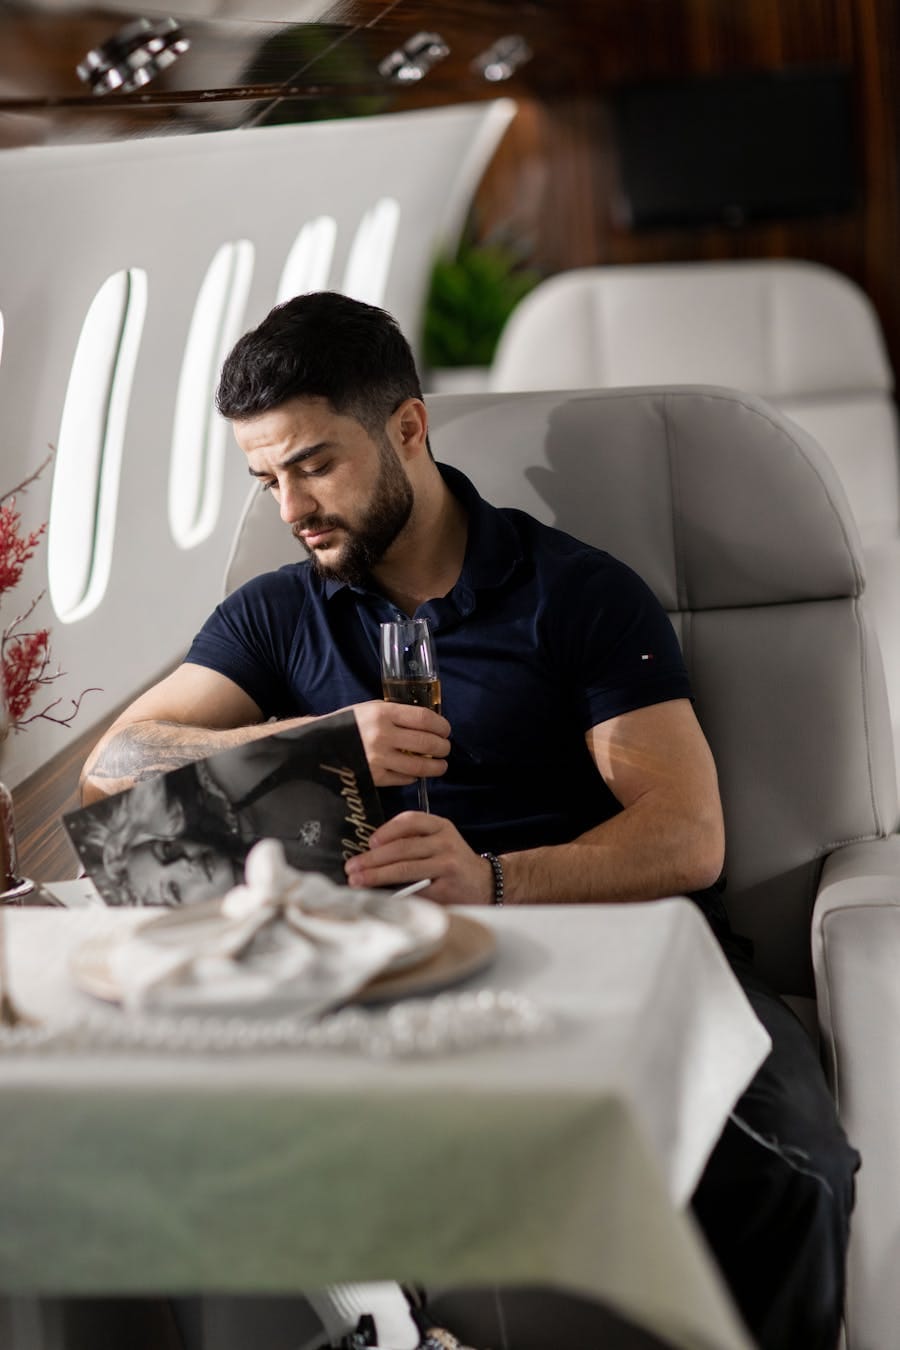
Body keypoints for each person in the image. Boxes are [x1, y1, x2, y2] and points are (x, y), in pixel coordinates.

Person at [81, 290, 858, 1350]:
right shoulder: (276, 611)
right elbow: (112, 767)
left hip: (619, 951)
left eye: (314, 464)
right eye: (265, 479)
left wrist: (493, 877)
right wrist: (318, 737)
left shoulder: (575, 595)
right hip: (375, 973)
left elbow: (688, 834)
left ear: (408, 427)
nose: (291, 507)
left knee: (798, 1166)